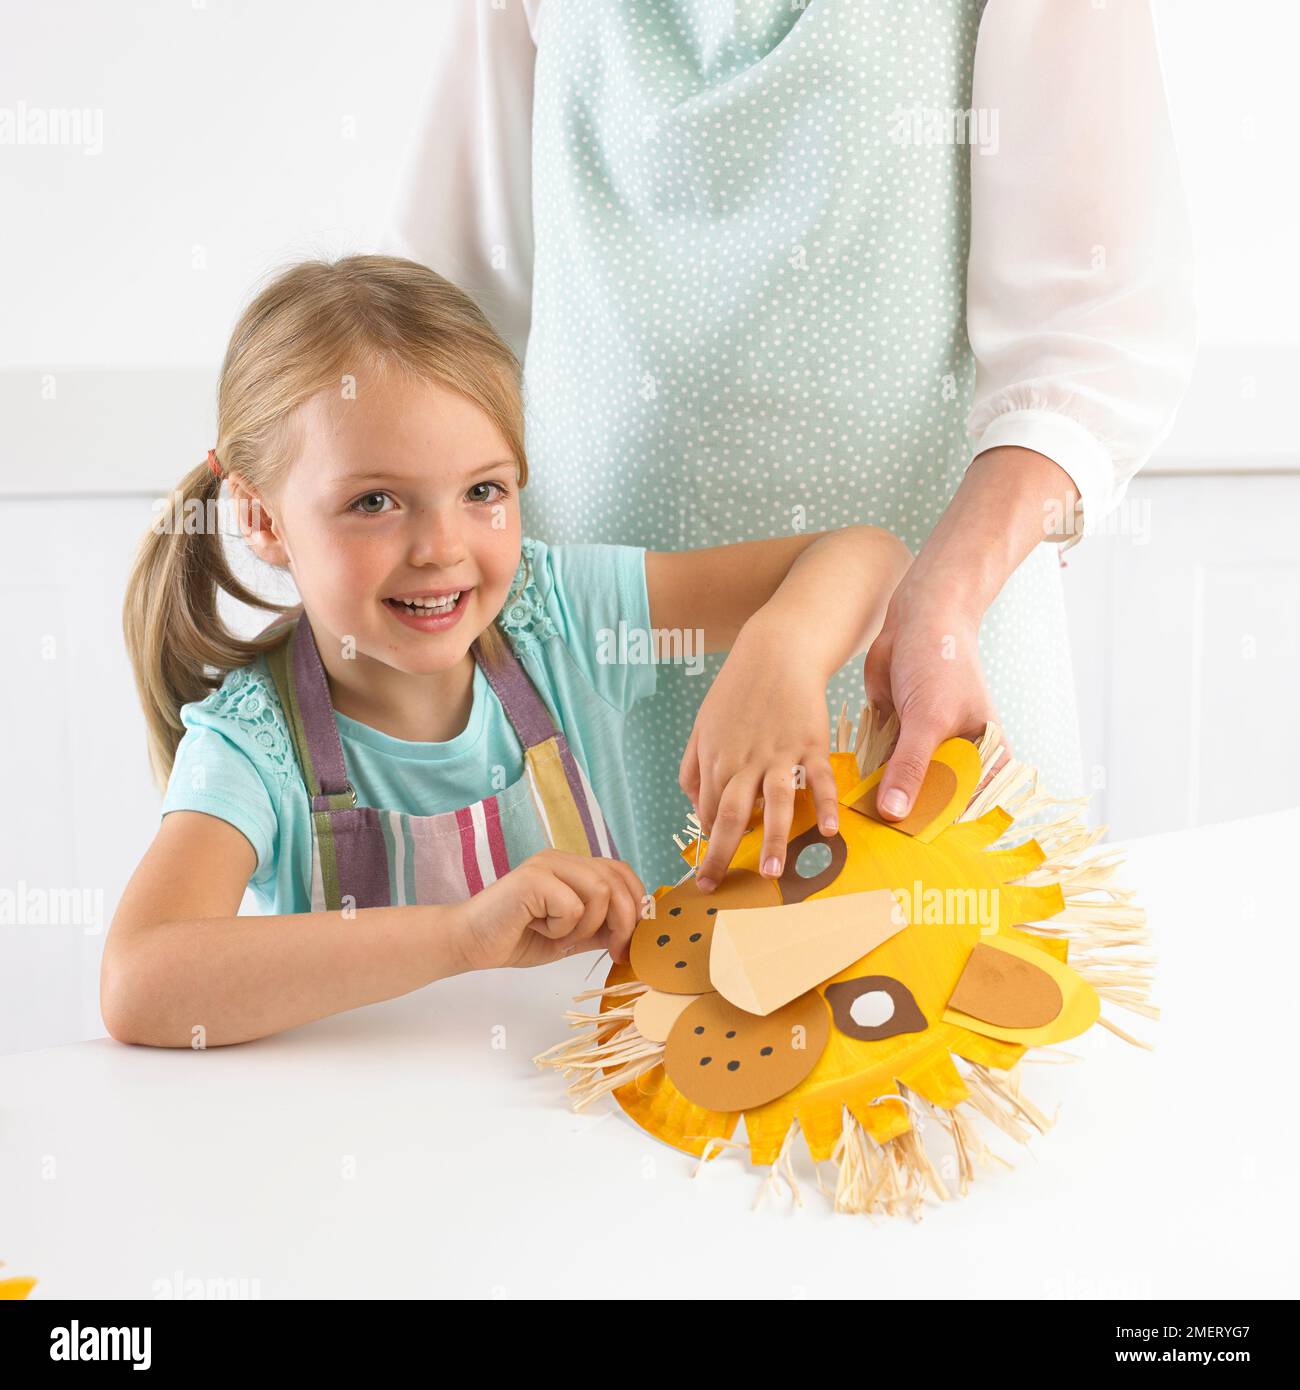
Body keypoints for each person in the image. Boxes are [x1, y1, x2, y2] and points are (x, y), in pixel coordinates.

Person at [379, 0, 1197, 891]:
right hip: (583, 658)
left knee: (915, 997)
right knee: (588, 1005)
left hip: (914, 650)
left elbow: (1091, 331)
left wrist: (943, 605)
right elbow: (454, 299)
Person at [104, 254, 911, 1048]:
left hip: (585, 1110)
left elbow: (870, 558)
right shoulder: (254, 744)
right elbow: (141, 983)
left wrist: (782, 649)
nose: (441, 548)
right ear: (264, 519)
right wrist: (461, 936)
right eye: (374, 502)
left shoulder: (556, 618)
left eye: (483, 491)